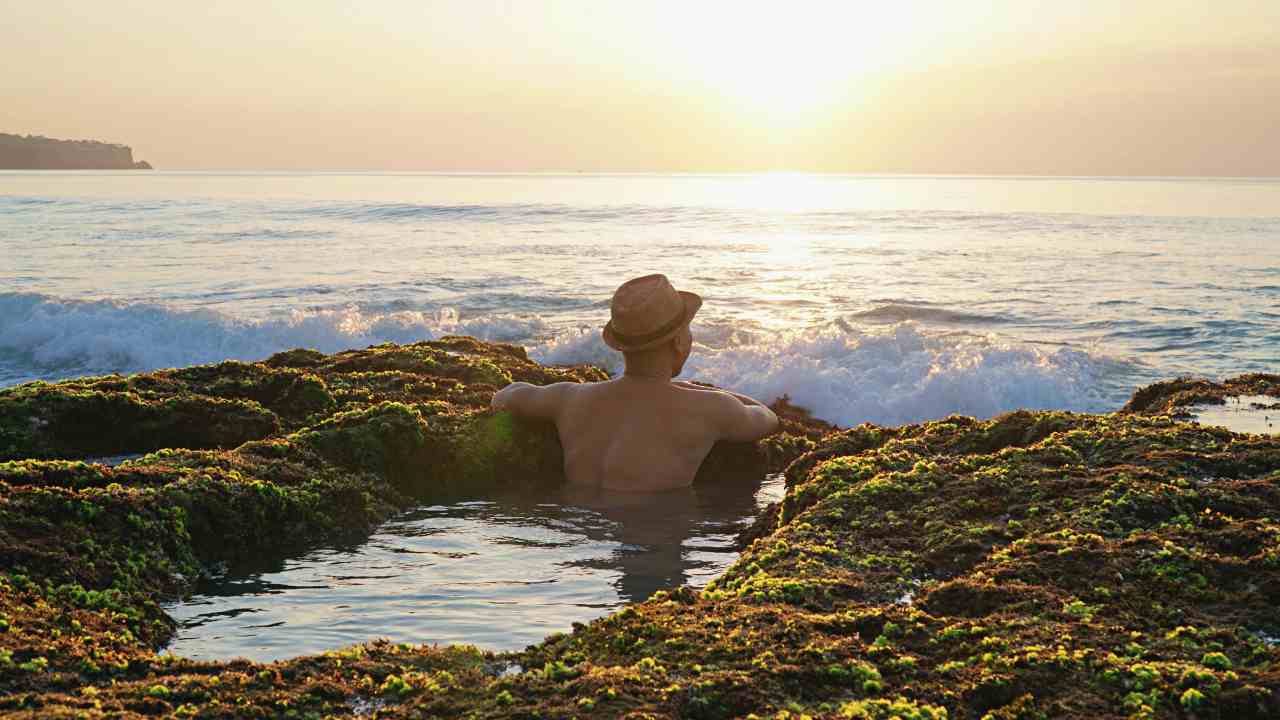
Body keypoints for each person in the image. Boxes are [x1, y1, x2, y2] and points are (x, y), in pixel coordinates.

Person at [491, 274, 779, 491]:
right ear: (679, 341)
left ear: (620, 344)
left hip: (585, 538)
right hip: (653, 542)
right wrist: (702, 390)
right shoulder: (709, 407)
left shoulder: (570, 398)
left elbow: (506, 396)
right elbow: (767, 418)